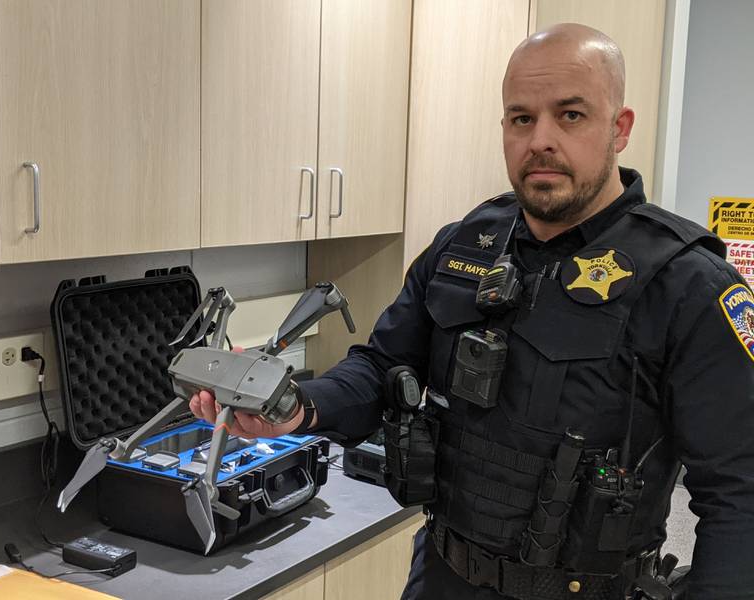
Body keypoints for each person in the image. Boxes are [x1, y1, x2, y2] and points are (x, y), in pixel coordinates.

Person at [191, 23, 754, 600]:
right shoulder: (462, 246)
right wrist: (298, 409)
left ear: (621, 127)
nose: (541, 139)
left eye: (571, 115)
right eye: (521, 118)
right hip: (443, 576)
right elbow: (381, 367)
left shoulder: (688, 284)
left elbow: (739, 496)